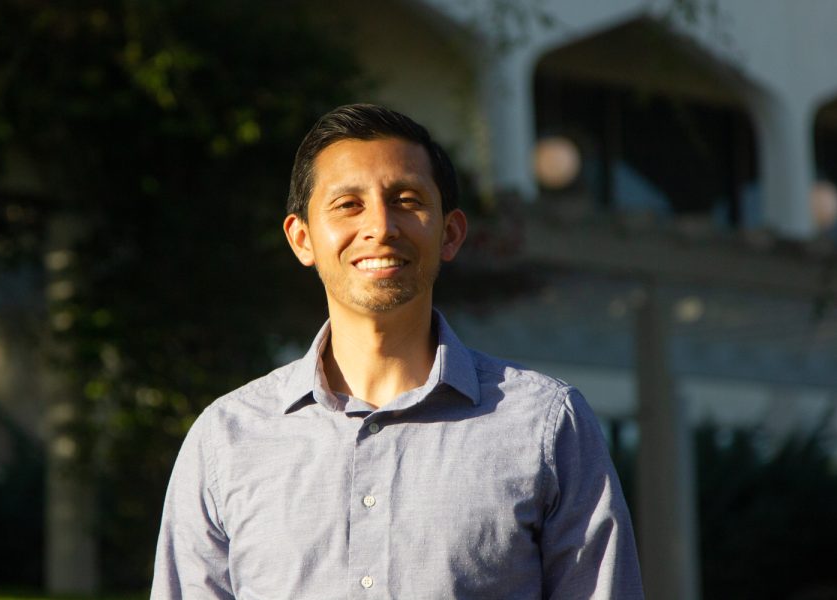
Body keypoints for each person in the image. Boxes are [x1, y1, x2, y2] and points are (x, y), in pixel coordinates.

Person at [151, 103, 643, 599]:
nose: (381, 226)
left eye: (406, 200)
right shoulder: (226, 441)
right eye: (348, 204)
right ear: (302, 239)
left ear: (449, 233)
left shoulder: (546, 425)